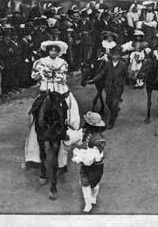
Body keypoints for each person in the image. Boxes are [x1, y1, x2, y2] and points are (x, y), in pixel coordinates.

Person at [24, 40, 80, 172]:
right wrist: (41, 75)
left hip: (59, 90)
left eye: (56, 50)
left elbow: (64, 77)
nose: (53, 52)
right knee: (35, 110)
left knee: (70, 107)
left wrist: (56, 76)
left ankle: (68, 130)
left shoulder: (63, 63)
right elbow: (33, 76)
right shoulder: (40, 62)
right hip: (45, 89)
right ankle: (33, 145)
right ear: (47, 51)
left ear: (59, 52)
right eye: (51, 50)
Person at [71, 111, 106, 213]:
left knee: (94, 183)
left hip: (94, 164)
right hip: (88, 164)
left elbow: (94, 157)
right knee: (85, 183)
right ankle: (88, 203)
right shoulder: (88, 133)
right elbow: (83, 143)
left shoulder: (99, 140)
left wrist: (80, 156)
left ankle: (93, 198)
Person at [87, 46, 128, 129]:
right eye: (114, 55)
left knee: (114, 105)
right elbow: (101, 73)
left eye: (117, 55)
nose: (115, 57)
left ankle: (111, 122)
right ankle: (115, 110)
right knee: (108, 103)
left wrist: (135, 77)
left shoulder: (123, 65)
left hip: (118, 88)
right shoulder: (108, 64)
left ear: (119, 56)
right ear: (111, 55)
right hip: (108, 87)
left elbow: (126, 75)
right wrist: (93, 80)